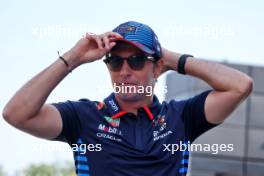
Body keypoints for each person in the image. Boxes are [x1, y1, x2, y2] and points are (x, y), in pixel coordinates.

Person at [2, 21, 253, 176]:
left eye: (136, 60)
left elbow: (240, 86)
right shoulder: (84, 117)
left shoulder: (181, 117)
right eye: (114, 61)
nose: (124, 71)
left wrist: (171, 59)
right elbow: (16, 113)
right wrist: (73, 58)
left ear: (157, 68)